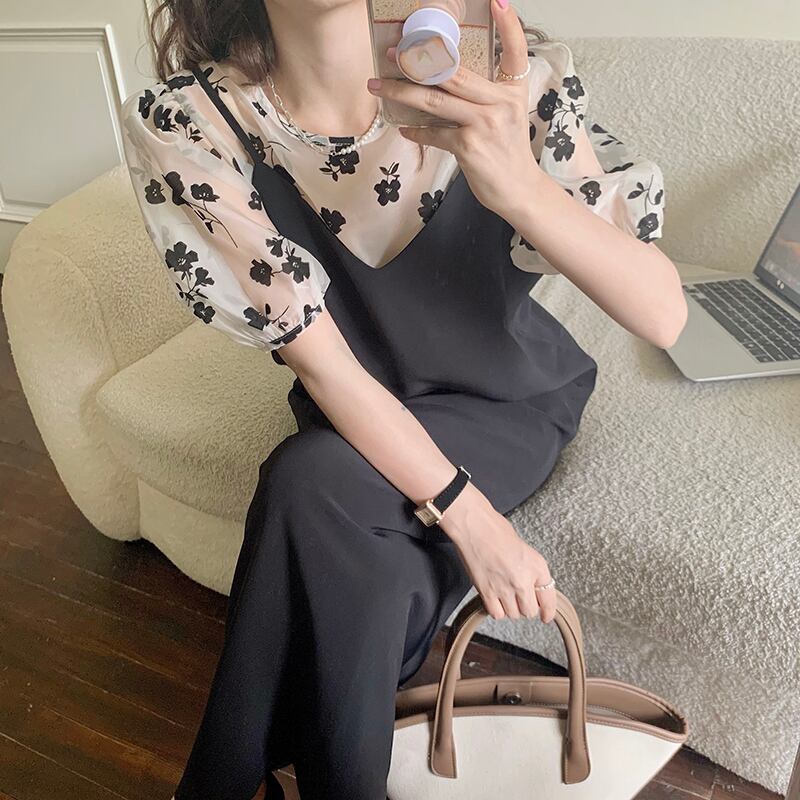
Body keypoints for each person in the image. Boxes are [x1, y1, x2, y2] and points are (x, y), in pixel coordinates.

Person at [120, 0, 687, 797]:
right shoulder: (194, 122)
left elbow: (663, 314)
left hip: (505, 403)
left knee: (307, 480)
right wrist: (472, 521)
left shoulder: (496, 80)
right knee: (349, 537)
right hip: (356, 418)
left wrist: (519, 183)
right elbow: (328, 369)